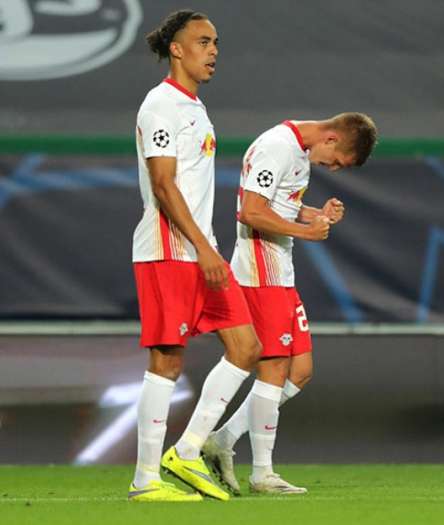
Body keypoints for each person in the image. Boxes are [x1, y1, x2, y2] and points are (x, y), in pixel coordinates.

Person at [202, 114, 378, 495]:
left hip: (281, 270)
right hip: (260, 269)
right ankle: (262, 473)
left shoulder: (298, 151)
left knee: (300, 370)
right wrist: (307, 232)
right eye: (335, 161)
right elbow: (250, 211)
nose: (331, 168)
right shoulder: (277, 147)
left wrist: (315, 214)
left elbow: (278, 206)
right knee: (275, 366)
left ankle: (222, 440)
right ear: (331, 138)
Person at [128, 10, 262, 502]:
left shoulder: (196, 109)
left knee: (246, 347)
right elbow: (163, 184)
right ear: (177, 49)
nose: (214, 51)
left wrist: (208, 247)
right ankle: (145, 482)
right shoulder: (159, 105)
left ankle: (185, 452)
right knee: (167, 358)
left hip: (201, 250)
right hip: (169, 249)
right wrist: (205, 247)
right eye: (203, 42)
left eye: (217, 42)